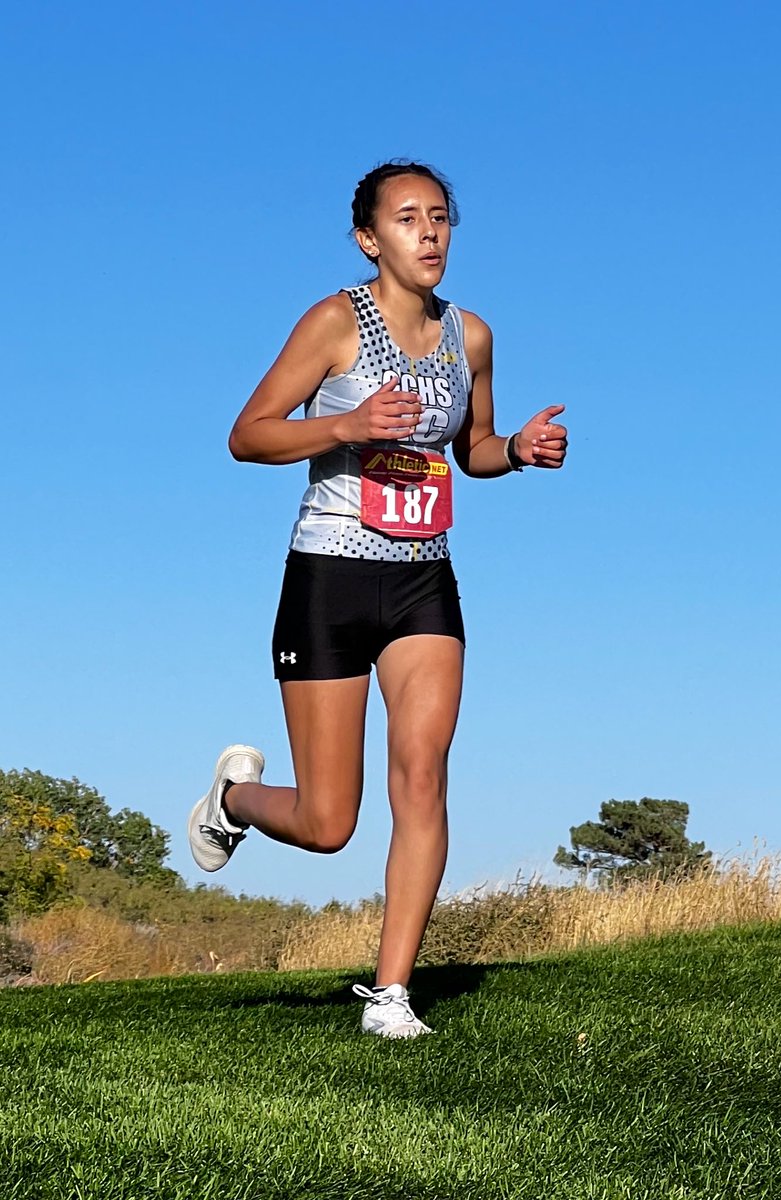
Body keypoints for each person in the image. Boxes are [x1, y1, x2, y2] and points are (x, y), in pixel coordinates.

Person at [188, 161, 568, 1038]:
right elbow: (248, 435)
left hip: (423, 580)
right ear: (369, 238)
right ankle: (234, 800)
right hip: (329, 576)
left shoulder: (470, 336)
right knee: (329, 825)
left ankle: (391, 995)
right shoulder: (334, 323)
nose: (428, 232)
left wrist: (517, 450)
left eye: (440, 217)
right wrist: (347, 426)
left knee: (423, 772)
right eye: (406, 218)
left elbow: (472, 447)